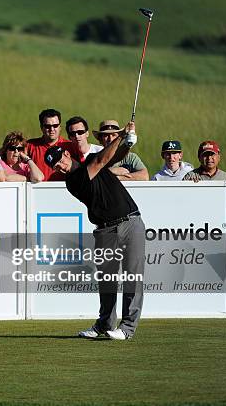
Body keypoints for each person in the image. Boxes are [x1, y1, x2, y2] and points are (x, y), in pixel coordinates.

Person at [45, 121, 145, 340]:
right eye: (56, 166)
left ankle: (127, 328)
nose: (61, 166)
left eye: (61, 160)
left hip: (130, 222)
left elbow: (114, 157)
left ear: (67, 155)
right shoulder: (73, 182)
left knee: (132, 277)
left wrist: (128, 143)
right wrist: (120, 135)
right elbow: (103, 160)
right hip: (105, 230)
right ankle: (104, 324)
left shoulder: (90, 160)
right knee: (107, 279)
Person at [26, 108, 76, 181]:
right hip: (37, 190)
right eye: (47, 126)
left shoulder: (70, 146)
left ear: (60, 127)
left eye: (55, 125)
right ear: (41, 127)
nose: (52, 129)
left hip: (64, 190)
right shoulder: (30, 146)